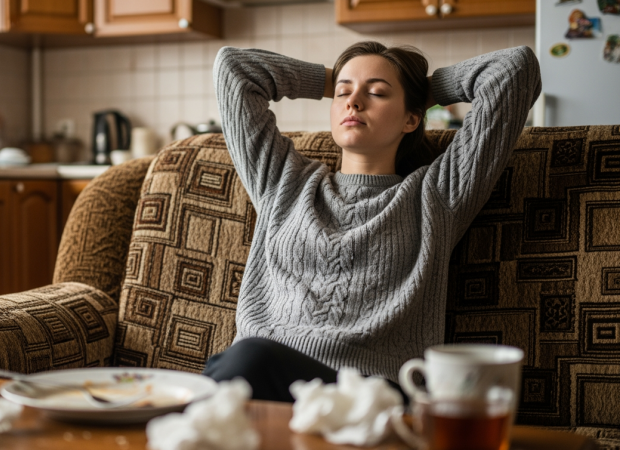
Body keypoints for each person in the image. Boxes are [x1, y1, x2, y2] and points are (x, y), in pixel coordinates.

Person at [202, 42, 542, 402]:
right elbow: (234, 69)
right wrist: (332, 81)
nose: (353, 102)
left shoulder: (437, 195)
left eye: (377, 93)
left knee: (248, 359)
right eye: (342, 93)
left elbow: (513, 69)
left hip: (371, 395)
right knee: (243, 362)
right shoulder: (283, 184)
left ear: (411, 119)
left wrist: (421, 90)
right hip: (263, 385)